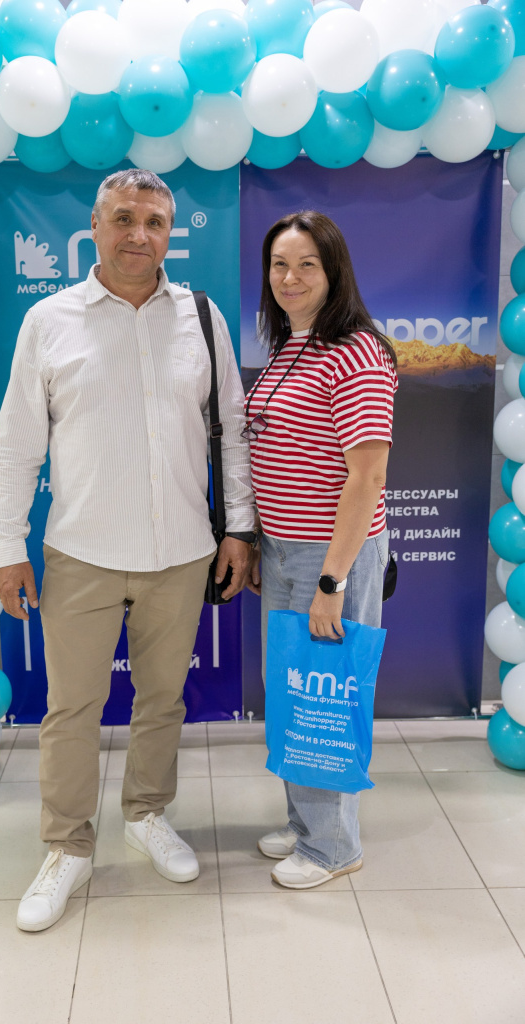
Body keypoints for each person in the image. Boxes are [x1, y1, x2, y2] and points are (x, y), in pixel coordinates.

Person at [0, 169, 256, 932]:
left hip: (182, 552)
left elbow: (231, 431)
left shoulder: (200, 317)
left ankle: (146, 815)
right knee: (71, 708)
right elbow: (16, 447)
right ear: (96, 227)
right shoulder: (50, 320)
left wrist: (238, 529)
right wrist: (8, 547)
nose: (139, 235)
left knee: (162, 699)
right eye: (123, 219)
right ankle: (67, 847)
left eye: (154, 222)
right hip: (81, 552)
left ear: (171, 233)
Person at [245, 210, 398, 890]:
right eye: (279, 264)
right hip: (283, 549)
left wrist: (331, 582)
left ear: (334, 272)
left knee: (325, 696)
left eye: (307, 264)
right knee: (294, 688)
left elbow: (366, 477)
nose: (290, 277)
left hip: (330, 556)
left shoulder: (355, 351)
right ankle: (307, 822)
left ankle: (333, 845)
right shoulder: (291, 344)